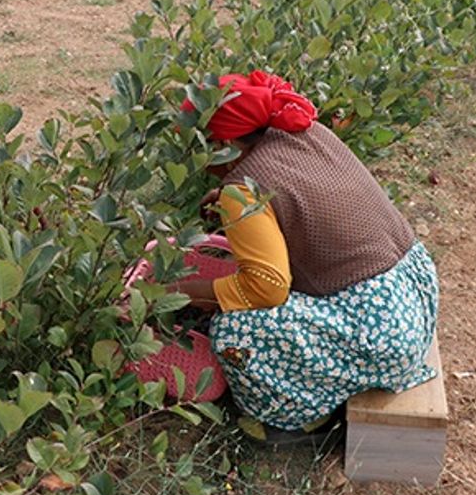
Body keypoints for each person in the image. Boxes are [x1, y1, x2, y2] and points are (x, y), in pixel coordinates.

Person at [174, 71, 439, 444]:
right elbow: (306, 201)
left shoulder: (243, 191)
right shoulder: (302, 132)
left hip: (380, 335)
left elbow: (266, 288)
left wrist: (179, 292)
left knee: (234, 329)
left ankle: (292, 420)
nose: (194, 159)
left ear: (228, 144)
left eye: (198, 146)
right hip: (412, 297)